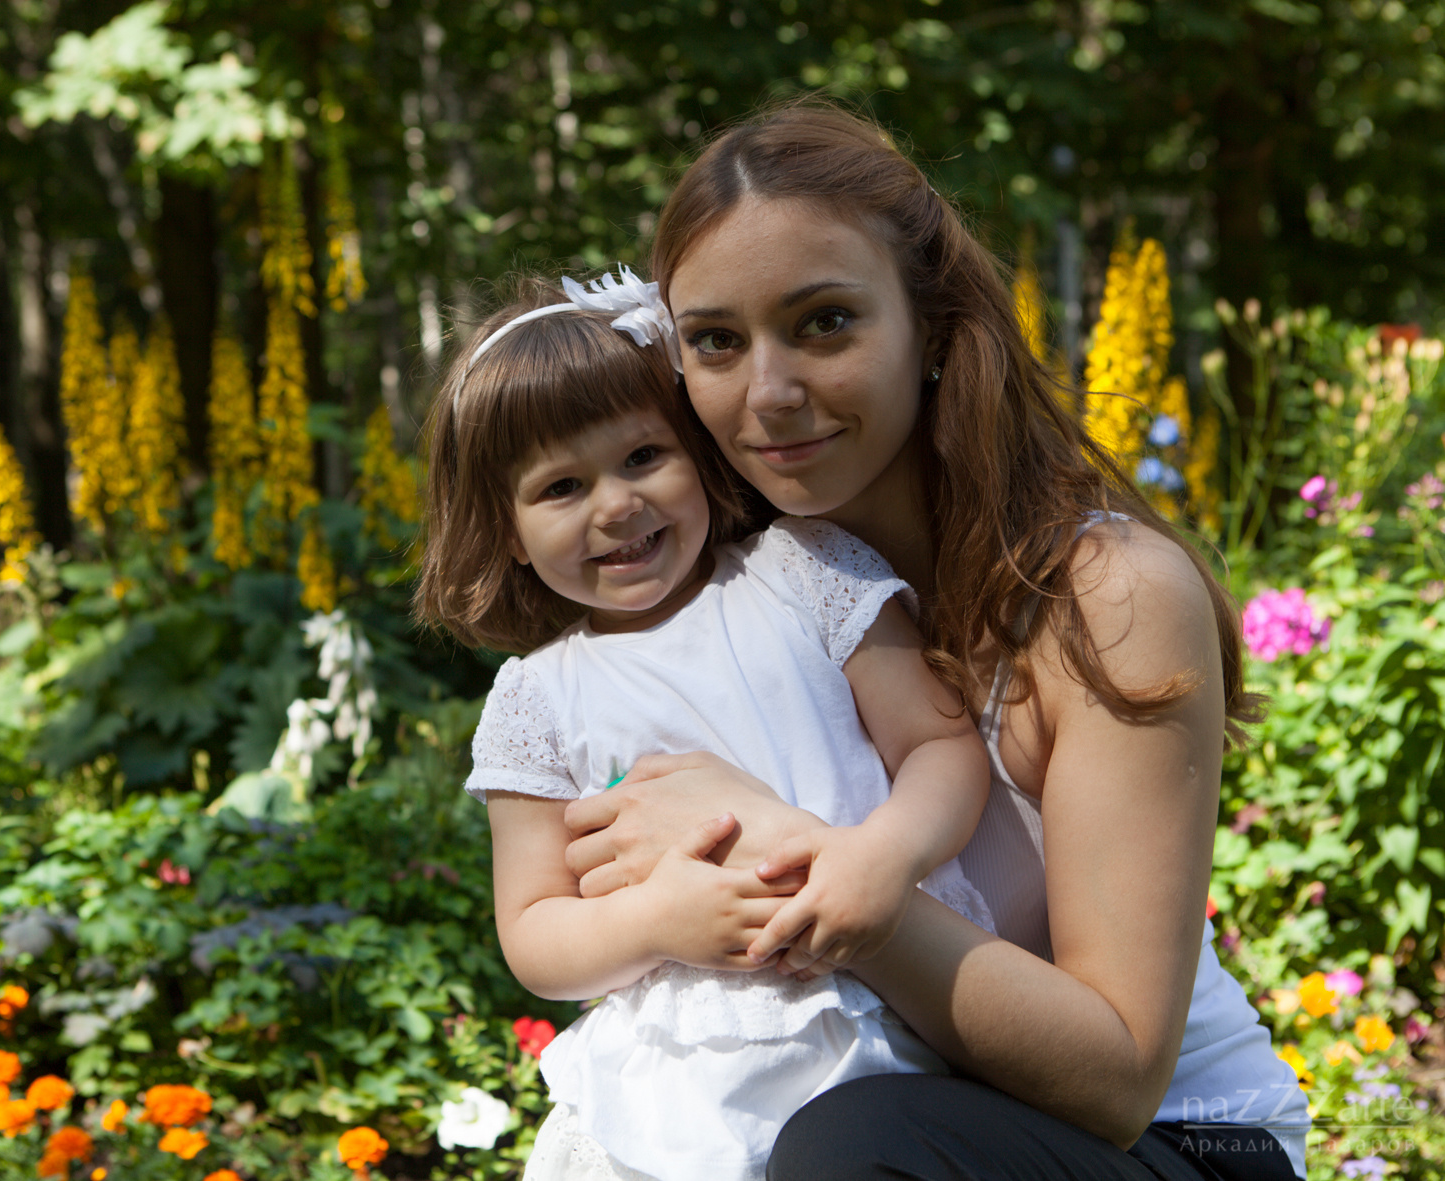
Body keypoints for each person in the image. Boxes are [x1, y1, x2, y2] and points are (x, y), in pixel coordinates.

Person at [558, 102, 1310, 1180]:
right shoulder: (727, 600)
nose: (766, 394)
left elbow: (1116, 1075)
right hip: (882, 1110)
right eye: (716, 341)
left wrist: (799, 860)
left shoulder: (1099, 595)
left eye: (823, 322)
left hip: (1166, 1142)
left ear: (935, 329)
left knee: (851, 1142)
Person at [415, 269, 996, 1181]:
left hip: (874, 1005)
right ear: (508, 530)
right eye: (563, 486)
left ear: (696, 449)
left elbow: (942, 745)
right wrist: (655, 919)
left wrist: (886, 855)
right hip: (678, 1068)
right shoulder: (537, 697)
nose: (616, 504)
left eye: (643, 456)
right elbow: (533, 929)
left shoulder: (801, 572)